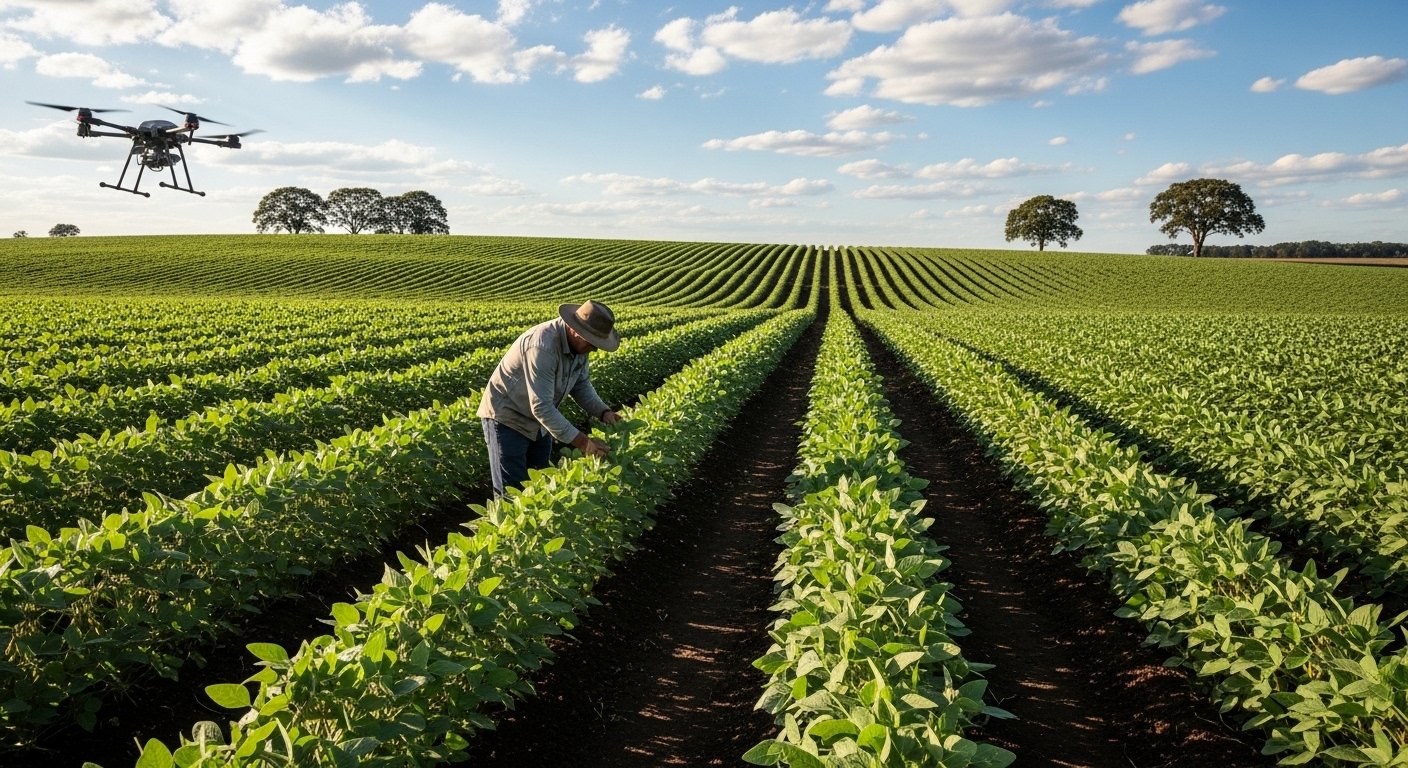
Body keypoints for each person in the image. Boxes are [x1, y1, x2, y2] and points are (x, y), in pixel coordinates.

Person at [478, 300, 623, 498]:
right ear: (575, 331)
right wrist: (583, 442)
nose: (594, 349)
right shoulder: (542, 346)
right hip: (508, 418)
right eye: (591, 342)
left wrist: (604, 412)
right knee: (511, 496)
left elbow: (581, 385)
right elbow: (541, 406)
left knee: (539, 484)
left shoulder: (580, 347)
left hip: (539, 422)